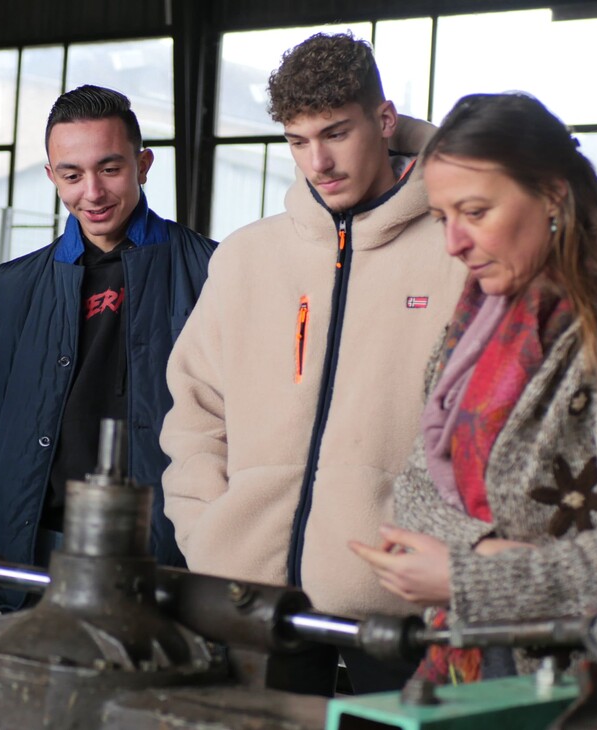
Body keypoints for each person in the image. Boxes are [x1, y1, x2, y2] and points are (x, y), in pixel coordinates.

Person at [350, 92, 597, 682]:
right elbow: (417, 488)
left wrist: (469, 576)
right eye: (444, 219)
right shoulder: (469, 331)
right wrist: (490, 554)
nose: (454, 243)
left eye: (475, 212)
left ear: (552, 194)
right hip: (476, 657)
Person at [161, 32, 467, 694]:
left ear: (384, 122)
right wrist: (207, 528)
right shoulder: (247, 258)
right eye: (298, 141)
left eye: (335, 133)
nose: (318, 161)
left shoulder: (457, 252)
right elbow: (194, 409)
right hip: (250, 600)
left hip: (396, 612)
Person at [0, 86, 215, 614]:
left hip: (164, 552)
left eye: (110, 168)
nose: (92, 192)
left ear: (143, 165)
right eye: (72, 175)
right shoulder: (13, 287)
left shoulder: (212, 273)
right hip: (35, 549)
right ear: (52, 176)